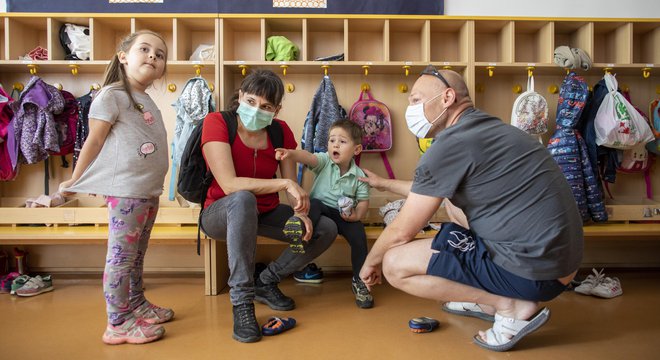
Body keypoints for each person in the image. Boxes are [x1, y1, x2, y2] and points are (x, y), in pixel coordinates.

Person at [358, 66, 583, 352]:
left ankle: (509, 305)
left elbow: (402, 230)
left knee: (394, 264)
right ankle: (486, 296)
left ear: (447, 97)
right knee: (453, 202)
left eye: (415, 100)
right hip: (559, 264)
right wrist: (385, 184)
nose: (410, 109)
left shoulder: (449, 145)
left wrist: (370, 262)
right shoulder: (489, 129)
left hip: (535, 274)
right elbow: (429, 191)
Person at [199, 69, 338, 343]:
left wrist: (301, 214)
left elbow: (291, 188)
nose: (256, 110)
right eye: (250, 101)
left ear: (277, 109)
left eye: (265, 106)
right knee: (242, 198)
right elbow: (229, 185)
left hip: (264, 212)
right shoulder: (216, 122)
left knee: (325, 228)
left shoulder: (280, 131)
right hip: (220, 213)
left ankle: (266, 281)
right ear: (240, 96)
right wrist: (285, 185)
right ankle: (242, 301)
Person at [59, 30, 172, 345]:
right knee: (122, 256)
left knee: (136, 256)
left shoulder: (144, 98)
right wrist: (75, 180)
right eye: (145, 49)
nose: (152, 56)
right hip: (126, 192)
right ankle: (118, 321)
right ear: (123, 56)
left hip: (147, 192)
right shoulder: (111, 95)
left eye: (160, 54)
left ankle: (135, 303)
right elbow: (93, 141)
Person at [275, 119, 373, 308]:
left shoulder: (359, 175)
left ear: (357, 149)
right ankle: (299, 229)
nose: (335, 144)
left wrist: (356, 216)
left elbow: (363, 201)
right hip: (318, 211)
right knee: (315, 203)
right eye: (331, 140)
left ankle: (360, 280)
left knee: (359, 236)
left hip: (342, 215)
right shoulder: (325, 161)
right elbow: (308, 158)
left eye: (342, 142)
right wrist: (291, 154)